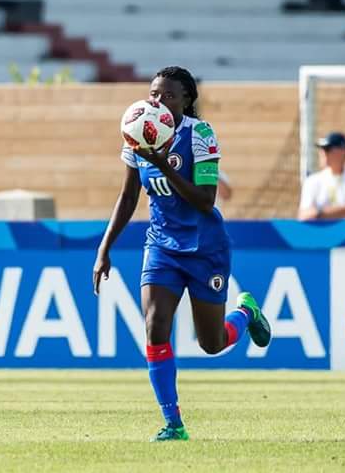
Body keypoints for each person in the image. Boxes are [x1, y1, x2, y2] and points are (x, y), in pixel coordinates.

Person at [92, 66, 271, 441]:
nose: (158, 101)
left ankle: (246, 312)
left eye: (169, 95)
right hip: (161, 246)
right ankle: (173, 424)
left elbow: (206, 201)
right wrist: (104, 248)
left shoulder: (200, 135)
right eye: (155, 93)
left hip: (205, 247)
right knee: (155, 325)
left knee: (212, 344)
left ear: (187, 101)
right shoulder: (137, 134)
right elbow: (128, 197)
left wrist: (163, 167)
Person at [298, 132, 345, 221]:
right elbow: (304, 214)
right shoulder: (312, 181)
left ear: (344, 152)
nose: (323, 153)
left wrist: (319, 214)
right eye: (322, 149)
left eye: (328, 149)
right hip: (321, 233)